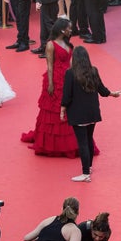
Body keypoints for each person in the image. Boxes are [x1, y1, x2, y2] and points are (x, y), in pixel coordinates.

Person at [60, 45, 121, 181]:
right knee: (88, 140)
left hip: (78, 114)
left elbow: (67, 95)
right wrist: (112, 94)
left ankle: (85, 173)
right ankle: (89, 166)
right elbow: (102, 90)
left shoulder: (70, 73)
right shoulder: (93, 71)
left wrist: (63, 109)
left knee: (82, 143)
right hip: (92, 113)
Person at [21, 18, 80, 158]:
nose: (71, 30)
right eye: (69, 28)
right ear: (61, 29)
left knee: (69, 109)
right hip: (55, 80)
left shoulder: (68, 44)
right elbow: (49, 66)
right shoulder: (50, 45)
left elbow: (72, 64)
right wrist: (51, 83)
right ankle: (53, 143)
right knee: (53, 111)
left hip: (68, 79)